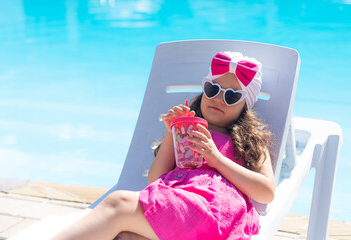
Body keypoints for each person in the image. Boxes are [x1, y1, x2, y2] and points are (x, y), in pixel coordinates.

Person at [52, 51, 275, 240]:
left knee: (118, 204)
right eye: (212, 90)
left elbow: (266, 193)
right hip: (178, 208)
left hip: (211, 212)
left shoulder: (249, 141)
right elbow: (156, 180)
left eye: (231, 96)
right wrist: (172, 133)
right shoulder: (186, 131)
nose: (218, 99)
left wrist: (216, 158)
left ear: (245, 106)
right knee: (125, 236)